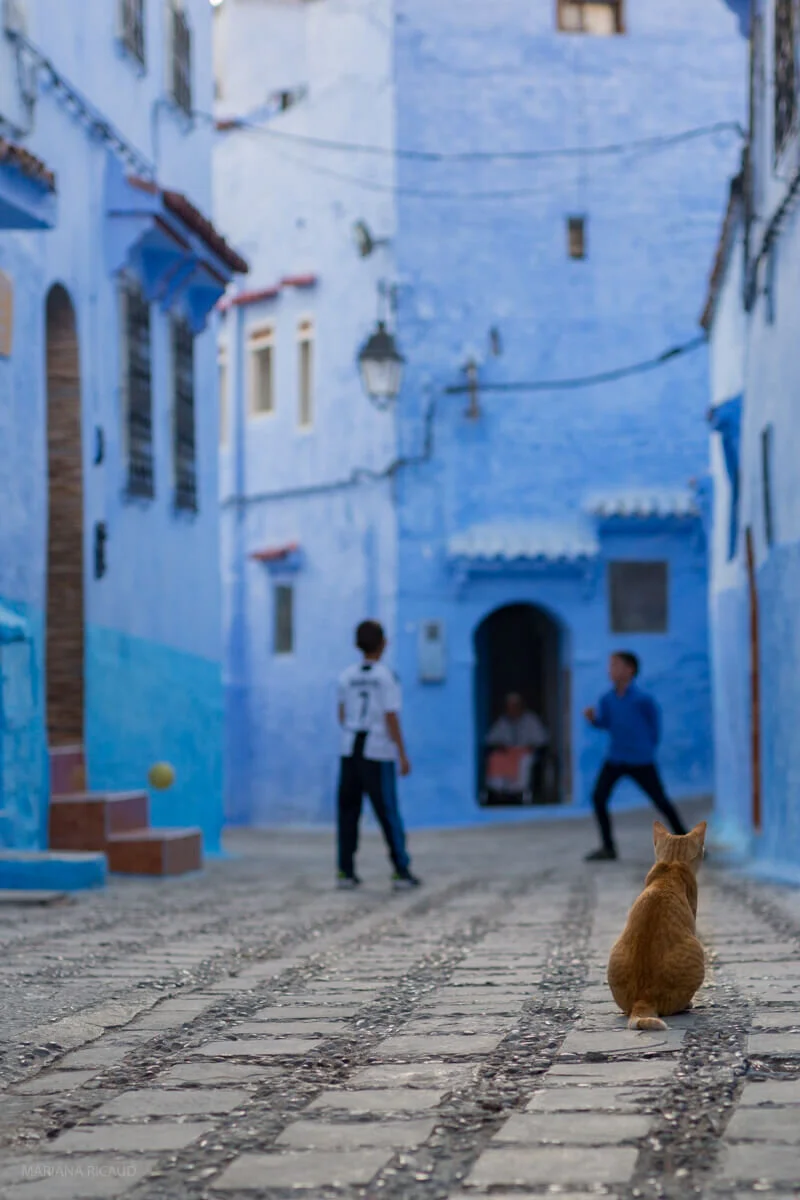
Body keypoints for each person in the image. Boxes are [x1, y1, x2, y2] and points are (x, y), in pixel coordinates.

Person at [336, 619, 420, 891]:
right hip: (377, 749)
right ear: (383, 643)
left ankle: (345, 871)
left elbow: (341, 714)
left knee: (348, 812)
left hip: (350, 748)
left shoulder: (346, 675)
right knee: (387, 811)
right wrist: (402, 752)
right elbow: (390, 715)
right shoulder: (386, 676)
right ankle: (401, 870)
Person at [583, 651, 688, 861]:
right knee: (598, 797)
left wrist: (647, 748)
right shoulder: (607, 699)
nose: (610, 670)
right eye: (610, 665)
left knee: (661, 801)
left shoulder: (643, 700)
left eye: (615, 665)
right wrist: (593, 720)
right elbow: (606, 723)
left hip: (641, 760)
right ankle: (608, 847)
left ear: (629, 669)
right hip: (616, 758)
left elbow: (654, 728)